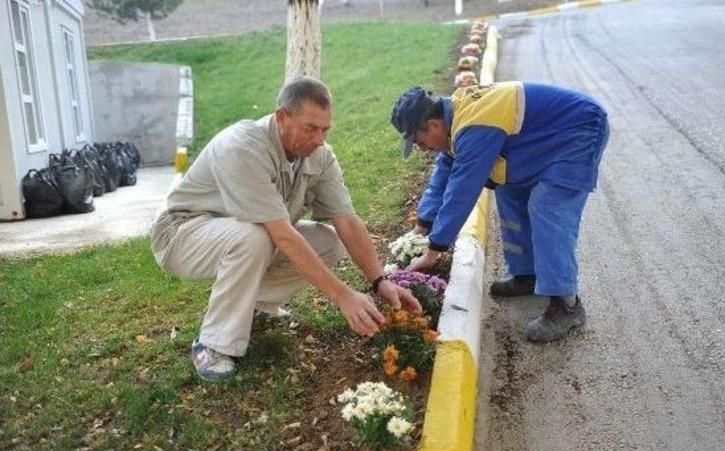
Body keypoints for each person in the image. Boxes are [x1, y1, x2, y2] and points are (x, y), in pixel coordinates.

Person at [152, 76, 421, 381]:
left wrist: (378, 281)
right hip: (181, 234)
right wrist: (342, 295)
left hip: (241, 232)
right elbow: (282, 234)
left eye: (325, 129)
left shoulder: (318, 155)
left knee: (328, 242)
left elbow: (346, 218)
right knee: (252, 238)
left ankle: (254, 306)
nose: (319, 139)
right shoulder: (243, 147)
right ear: (282, 117)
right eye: (310, 128)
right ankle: (213, 344)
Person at [390, 81, 608, 343]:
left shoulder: (474, 124)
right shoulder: (456, 118)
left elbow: (462, 189)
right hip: (547, 138)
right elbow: (444, 173)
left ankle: (567, 304)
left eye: (418, 141)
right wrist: (422, 225)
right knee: (509, 191)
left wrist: (434, 250)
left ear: (434, 125)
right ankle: (527, 274)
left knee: (548, 207)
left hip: (580, 128)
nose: (422, 148)